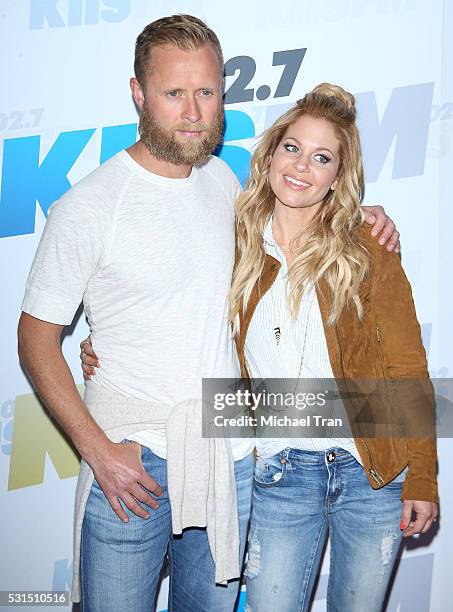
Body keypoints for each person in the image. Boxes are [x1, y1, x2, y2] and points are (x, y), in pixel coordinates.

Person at [21, 13, 398, 612]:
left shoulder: (226, 182)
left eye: (207, 92)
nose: (194, 112)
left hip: (229, 458)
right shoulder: (88, 207)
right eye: (174, 93)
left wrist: (365, 217)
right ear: (138, 94)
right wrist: (96, 450)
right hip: (132, 465)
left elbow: (301, 220)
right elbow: (36, 339)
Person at [228, 83, 438, 611]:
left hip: (371, 473)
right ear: (272, 151)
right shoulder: (231, 240)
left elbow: (407, 365)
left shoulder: (368, 244)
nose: (301, 166)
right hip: (278, 472)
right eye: (292, 147)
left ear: (338, 177)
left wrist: (425, 478)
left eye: (322, 157)